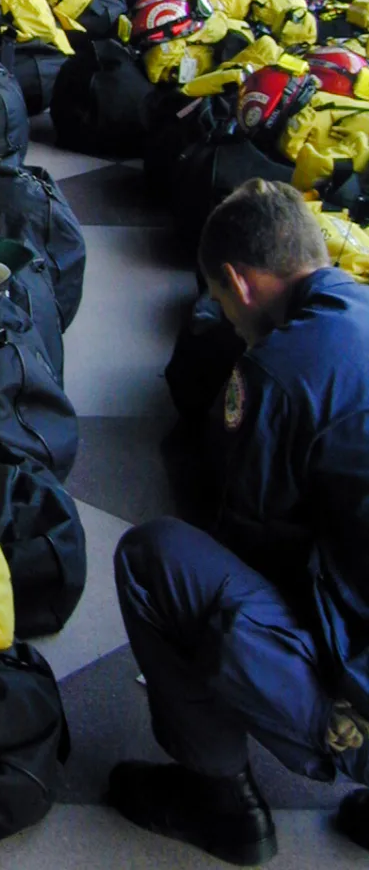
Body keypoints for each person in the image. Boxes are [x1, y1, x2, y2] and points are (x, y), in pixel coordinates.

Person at [110, 179, 369, 865]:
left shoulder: (278, 372)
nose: (224, 319)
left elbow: (251, 540)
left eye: (221, 304)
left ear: (237, 281)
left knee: (158, 561)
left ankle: (221, 804)